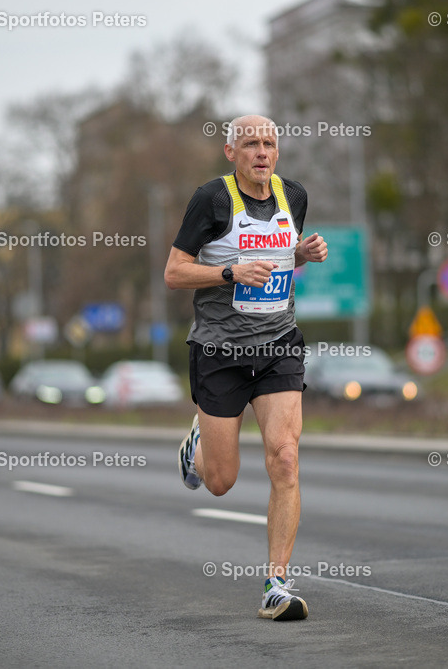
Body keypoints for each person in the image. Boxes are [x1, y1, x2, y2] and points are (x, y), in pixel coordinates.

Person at [165, 115, 327, 621]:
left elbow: (276, 260)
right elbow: (174, 272)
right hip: (219, 353)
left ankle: (276, 583)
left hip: (279, 343)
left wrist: (300, 253)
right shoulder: (212, 200)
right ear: (230, 152)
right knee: (219, 482)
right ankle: (199, 442)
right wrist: (228, 271)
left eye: (270, 143)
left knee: (285, 456)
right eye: (251, 143)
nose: (262, 152)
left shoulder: (293, 196)